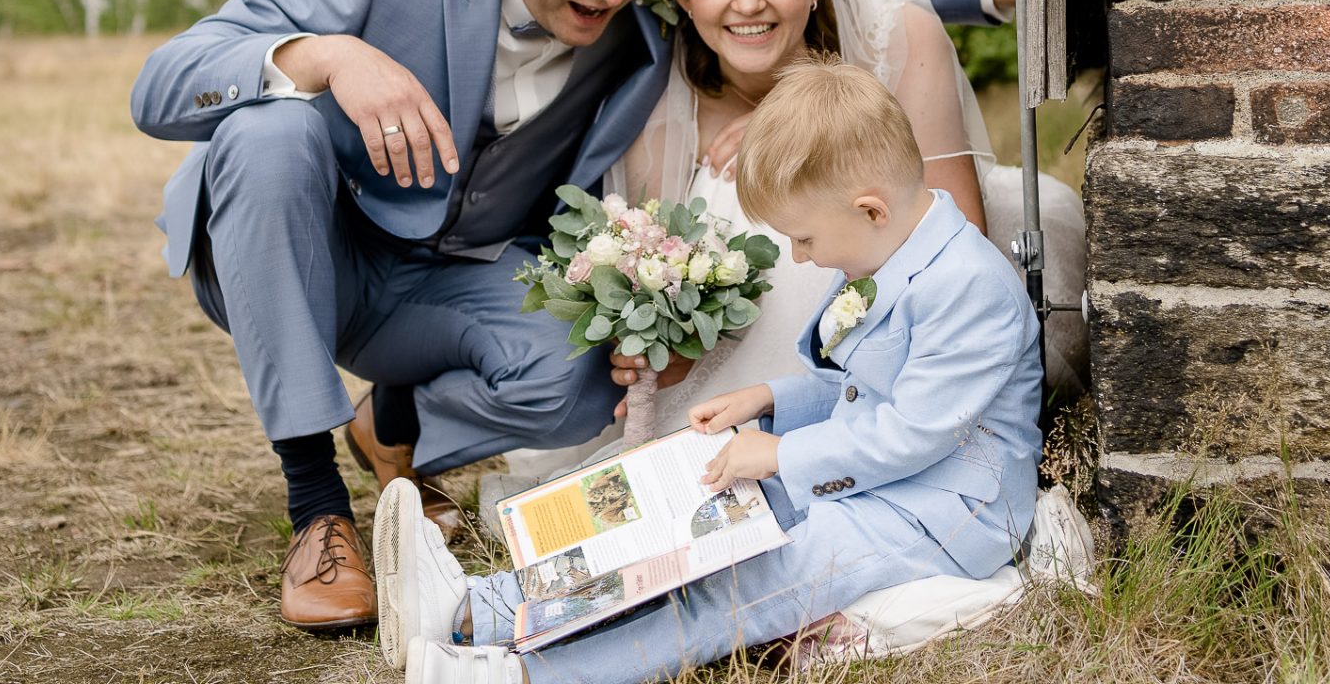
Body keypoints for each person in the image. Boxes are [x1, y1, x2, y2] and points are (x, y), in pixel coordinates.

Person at [127, 0, 1010, 632]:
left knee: (597, 367)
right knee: (266, 136)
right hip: (295, 246)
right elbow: (164, 83)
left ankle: (393, 421)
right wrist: (327, 57)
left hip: (444, 282)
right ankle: (316, 509)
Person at [375, 57, 1043, 684]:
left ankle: (517, 673)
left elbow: (913, 433)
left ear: (870, 208)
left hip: (940, 514)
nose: (802, 258)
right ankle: (476, 609)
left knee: (737, 581)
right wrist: (765, 397)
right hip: (869, 479)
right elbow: (864, 387)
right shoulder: (883, 249)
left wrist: (781, 454)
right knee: (684, 519)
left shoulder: (968, 287)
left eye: (804, 239)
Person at [506, 0, 1083, 486]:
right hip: (738, 373)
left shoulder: (895, 39)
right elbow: (656, 284)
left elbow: (952, 239)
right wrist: (658, 345)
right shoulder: (655, 100)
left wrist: (798, 127)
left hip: (901, 334)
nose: (748, 3)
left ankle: (831, 440)